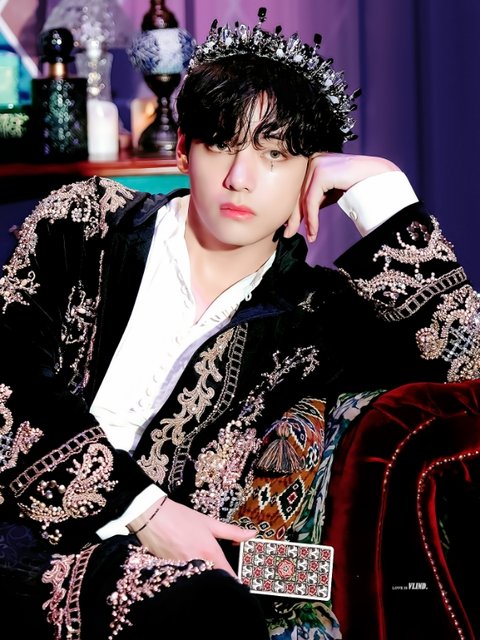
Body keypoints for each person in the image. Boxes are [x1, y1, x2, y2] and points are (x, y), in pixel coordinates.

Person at [0, 7, 479, 639]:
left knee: (210, 608)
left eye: (275, 154)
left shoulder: (322, 319)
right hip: (15, 529)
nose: (240, 178)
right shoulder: (85, 224)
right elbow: (7, 375)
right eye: (221, 144)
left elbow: (466, 372)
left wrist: (384, 194)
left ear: (312, 172)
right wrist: (145, 510)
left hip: (173, 587)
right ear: (183, 149)